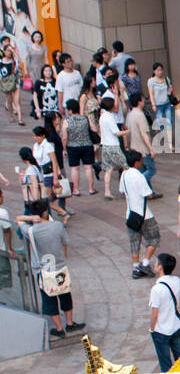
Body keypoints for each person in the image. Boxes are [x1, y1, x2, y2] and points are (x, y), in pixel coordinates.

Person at [21, 199, 83, 339]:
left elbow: (18, 220)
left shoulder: (31, 231)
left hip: (42, 270)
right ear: (45, 212)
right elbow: (65, 242)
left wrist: (30, 218)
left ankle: (59, 328)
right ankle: (69, 323)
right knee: (65, 294)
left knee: (48, 298)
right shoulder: (57, 226)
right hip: (59, 267)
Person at [121, 149, 159, 280]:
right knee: (154, 238)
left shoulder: (124, 175)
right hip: (145, 216)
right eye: (141, 161)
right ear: (137, 162)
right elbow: (148, 193)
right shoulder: (139, 176)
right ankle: (145, 262)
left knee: (134, 242)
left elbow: (122, 191)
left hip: (130, 215)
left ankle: (136, 267)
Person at [148, 253, 180, 371]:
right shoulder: (177, 280)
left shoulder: (157, 289)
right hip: (175, 325)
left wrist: (152, 328)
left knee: (165, 364)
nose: (154, 264)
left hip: (161, 330)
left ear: (160, 267)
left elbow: (155, 313)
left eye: (156, 263)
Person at [61, 98, 96, 197]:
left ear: (70, 110)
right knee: (88, 168)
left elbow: (64, 137)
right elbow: (94, 128)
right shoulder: (85, 118)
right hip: (87, 145)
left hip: (72, 147)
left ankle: (76, 189)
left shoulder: (67, 121)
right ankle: (91, 188)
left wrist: (63, 149)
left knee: (74, 169)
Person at [32, 63, 62, 174]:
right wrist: (37, 109)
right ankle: (52, 146)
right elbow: (35, 95)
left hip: (55, 110)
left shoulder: (55, 81)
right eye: (46, 71)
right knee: (50, 130)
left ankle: (56, 146)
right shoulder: (39, 83)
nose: (48, 73)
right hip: (45, 110)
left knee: (57, 128)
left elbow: (59, 94)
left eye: (49, 71)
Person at [98, 94, 128, 200]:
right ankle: (125, 190)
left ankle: (107, 192)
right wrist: (127, 131)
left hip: (105, 146)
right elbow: (116, 133)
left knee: (108, 170)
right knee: (126, 166)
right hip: (113, 146)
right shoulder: (109, 118)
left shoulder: (102, 117)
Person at [124, 92, 157, 190]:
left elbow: (128, 131)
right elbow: (144, 134)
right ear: (139, 102)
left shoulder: (130, 115)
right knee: (151, 169)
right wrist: (151, 149)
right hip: (143, 149)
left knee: (141, 169)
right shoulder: (140, 115)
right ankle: (139, 184)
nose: (144, 101)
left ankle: (149, 192)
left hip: (134, 147)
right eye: (143, 99)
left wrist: (127, 145)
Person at [147, 63, 173, 152]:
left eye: (161, 70)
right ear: (154, 71)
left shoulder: (166, 79)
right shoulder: (151, 81)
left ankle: (169, 144)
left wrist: (170, 92)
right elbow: (151, 93)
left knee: (169, 123)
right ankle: (159, 137)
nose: (160, 72)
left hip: (167, 103)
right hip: (158, 105)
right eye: (158, 70)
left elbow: (170, 89)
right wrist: (153, 104)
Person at [0, 41, 21, 124]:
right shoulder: (1, 62)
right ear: (4, 51)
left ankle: (20, 119)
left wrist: (14, 52)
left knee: (17, 101)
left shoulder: (14, 60)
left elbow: (19, 60)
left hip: (15, 82)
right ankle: (11, 115)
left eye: (11, 50)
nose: (9, 52)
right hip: (6, 83)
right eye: (8, 50)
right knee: (9, 100)